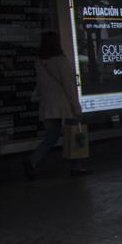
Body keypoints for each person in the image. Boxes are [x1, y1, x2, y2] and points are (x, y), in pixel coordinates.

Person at [24, 31, 89, 180]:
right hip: (64, 104)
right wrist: (77, 107)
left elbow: (40, 85)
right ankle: (76, 167)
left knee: (51, 136)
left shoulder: (39, 62)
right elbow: (68, 86)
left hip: (47, 104)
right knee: (74, 135)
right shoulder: (61, 60)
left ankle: (32, 160)